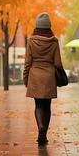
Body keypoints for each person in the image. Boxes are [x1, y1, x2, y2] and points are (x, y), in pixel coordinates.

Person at [23, 12, 63, 145]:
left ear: (37, 26)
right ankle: (44, 133)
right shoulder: (54, 41)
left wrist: (25, 78)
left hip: (35, 76)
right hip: (49, 77)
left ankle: (40, 127)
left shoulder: (31, 41)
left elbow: (27, 62)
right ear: (49, 26)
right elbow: (57, 63)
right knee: (47, 106)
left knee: (38, 104)